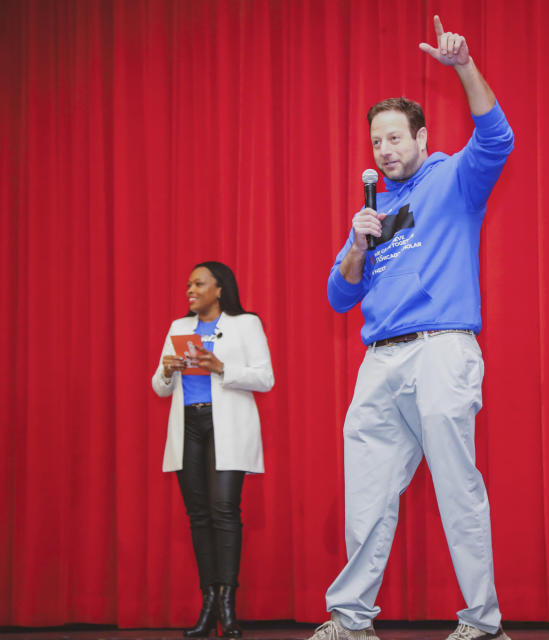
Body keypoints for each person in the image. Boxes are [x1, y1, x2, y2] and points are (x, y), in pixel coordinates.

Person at [307, 15, 514, 640]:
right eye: (376, 142)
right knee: (366, 494)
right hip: (380, 361)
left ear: (421, 138)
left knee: (458, 489)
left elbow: (498, 139)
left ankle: (482, 625)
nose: (385, 150)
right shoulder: (371, 214)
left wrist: (463, 66)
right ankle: (350, 621)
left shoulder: (452, 179)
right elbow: (338, 295)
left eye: (395, 138)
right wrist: (355, 247)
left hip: (441, 349)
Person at [152, 261, 275, 638]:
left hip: (227, 426)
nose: (190, 290)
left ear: (219, 289)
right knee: (198, 515)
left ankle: (227, 604)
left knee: (224, 510)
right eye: (188, 284)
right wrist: (169, 371)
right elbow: (159, 386)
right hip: (189, 426)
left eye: (198, 284)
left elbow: (265, 378)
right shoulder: (179, 328)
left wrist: (221, 367)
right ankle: (207, 605)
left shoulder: (245, 323)